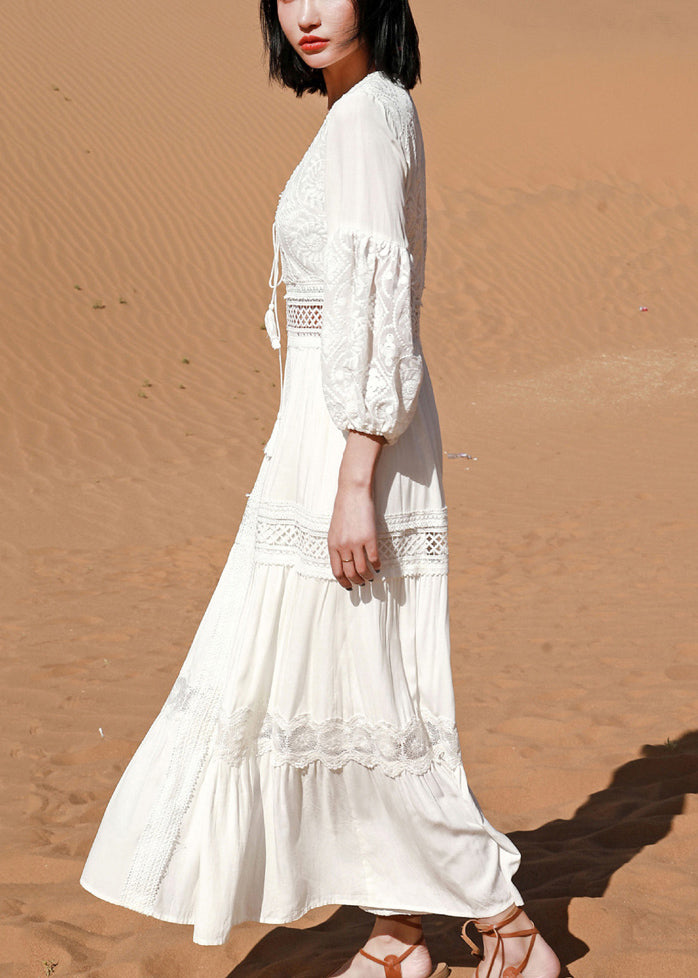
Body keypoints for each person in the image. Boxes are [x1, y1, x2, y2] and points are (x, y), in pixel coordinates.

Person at [81, 1, 561, 976]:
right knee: (342, 681)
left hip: (353, 442)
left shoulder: (371, 112)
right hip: (329, 431)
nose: (303, 12)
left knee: (370, 688)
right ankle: (397, 936)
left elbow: (378, 299)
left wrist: (353, 477)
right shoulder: (356, 110)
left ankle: (508, 931)